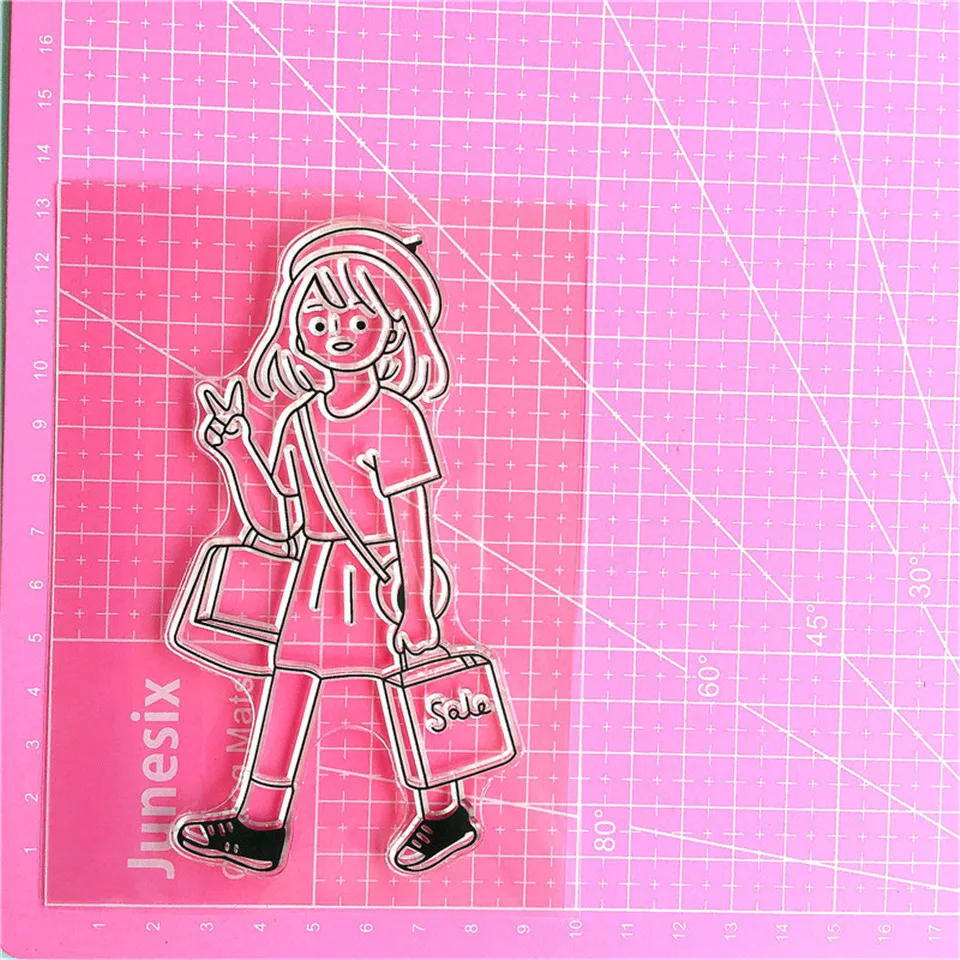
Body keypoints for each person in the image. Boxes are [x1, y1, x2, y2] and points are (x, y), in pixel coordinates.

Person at [170, 223, 482, 874]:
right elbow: (275, 524)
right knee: (286, 689)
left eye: (357, 320)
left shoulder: (396, 417)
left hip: (380, 581)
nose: (337, 332)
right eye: (318, 321)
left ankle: (444, 813)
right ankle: (258, 826)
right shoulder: (297, 420)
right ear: (294, 332)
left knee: (409, 689)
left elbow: (413, 520)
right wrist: (235, 452)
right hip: (315, 577)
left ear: (393, 330)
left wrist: (417, 607)